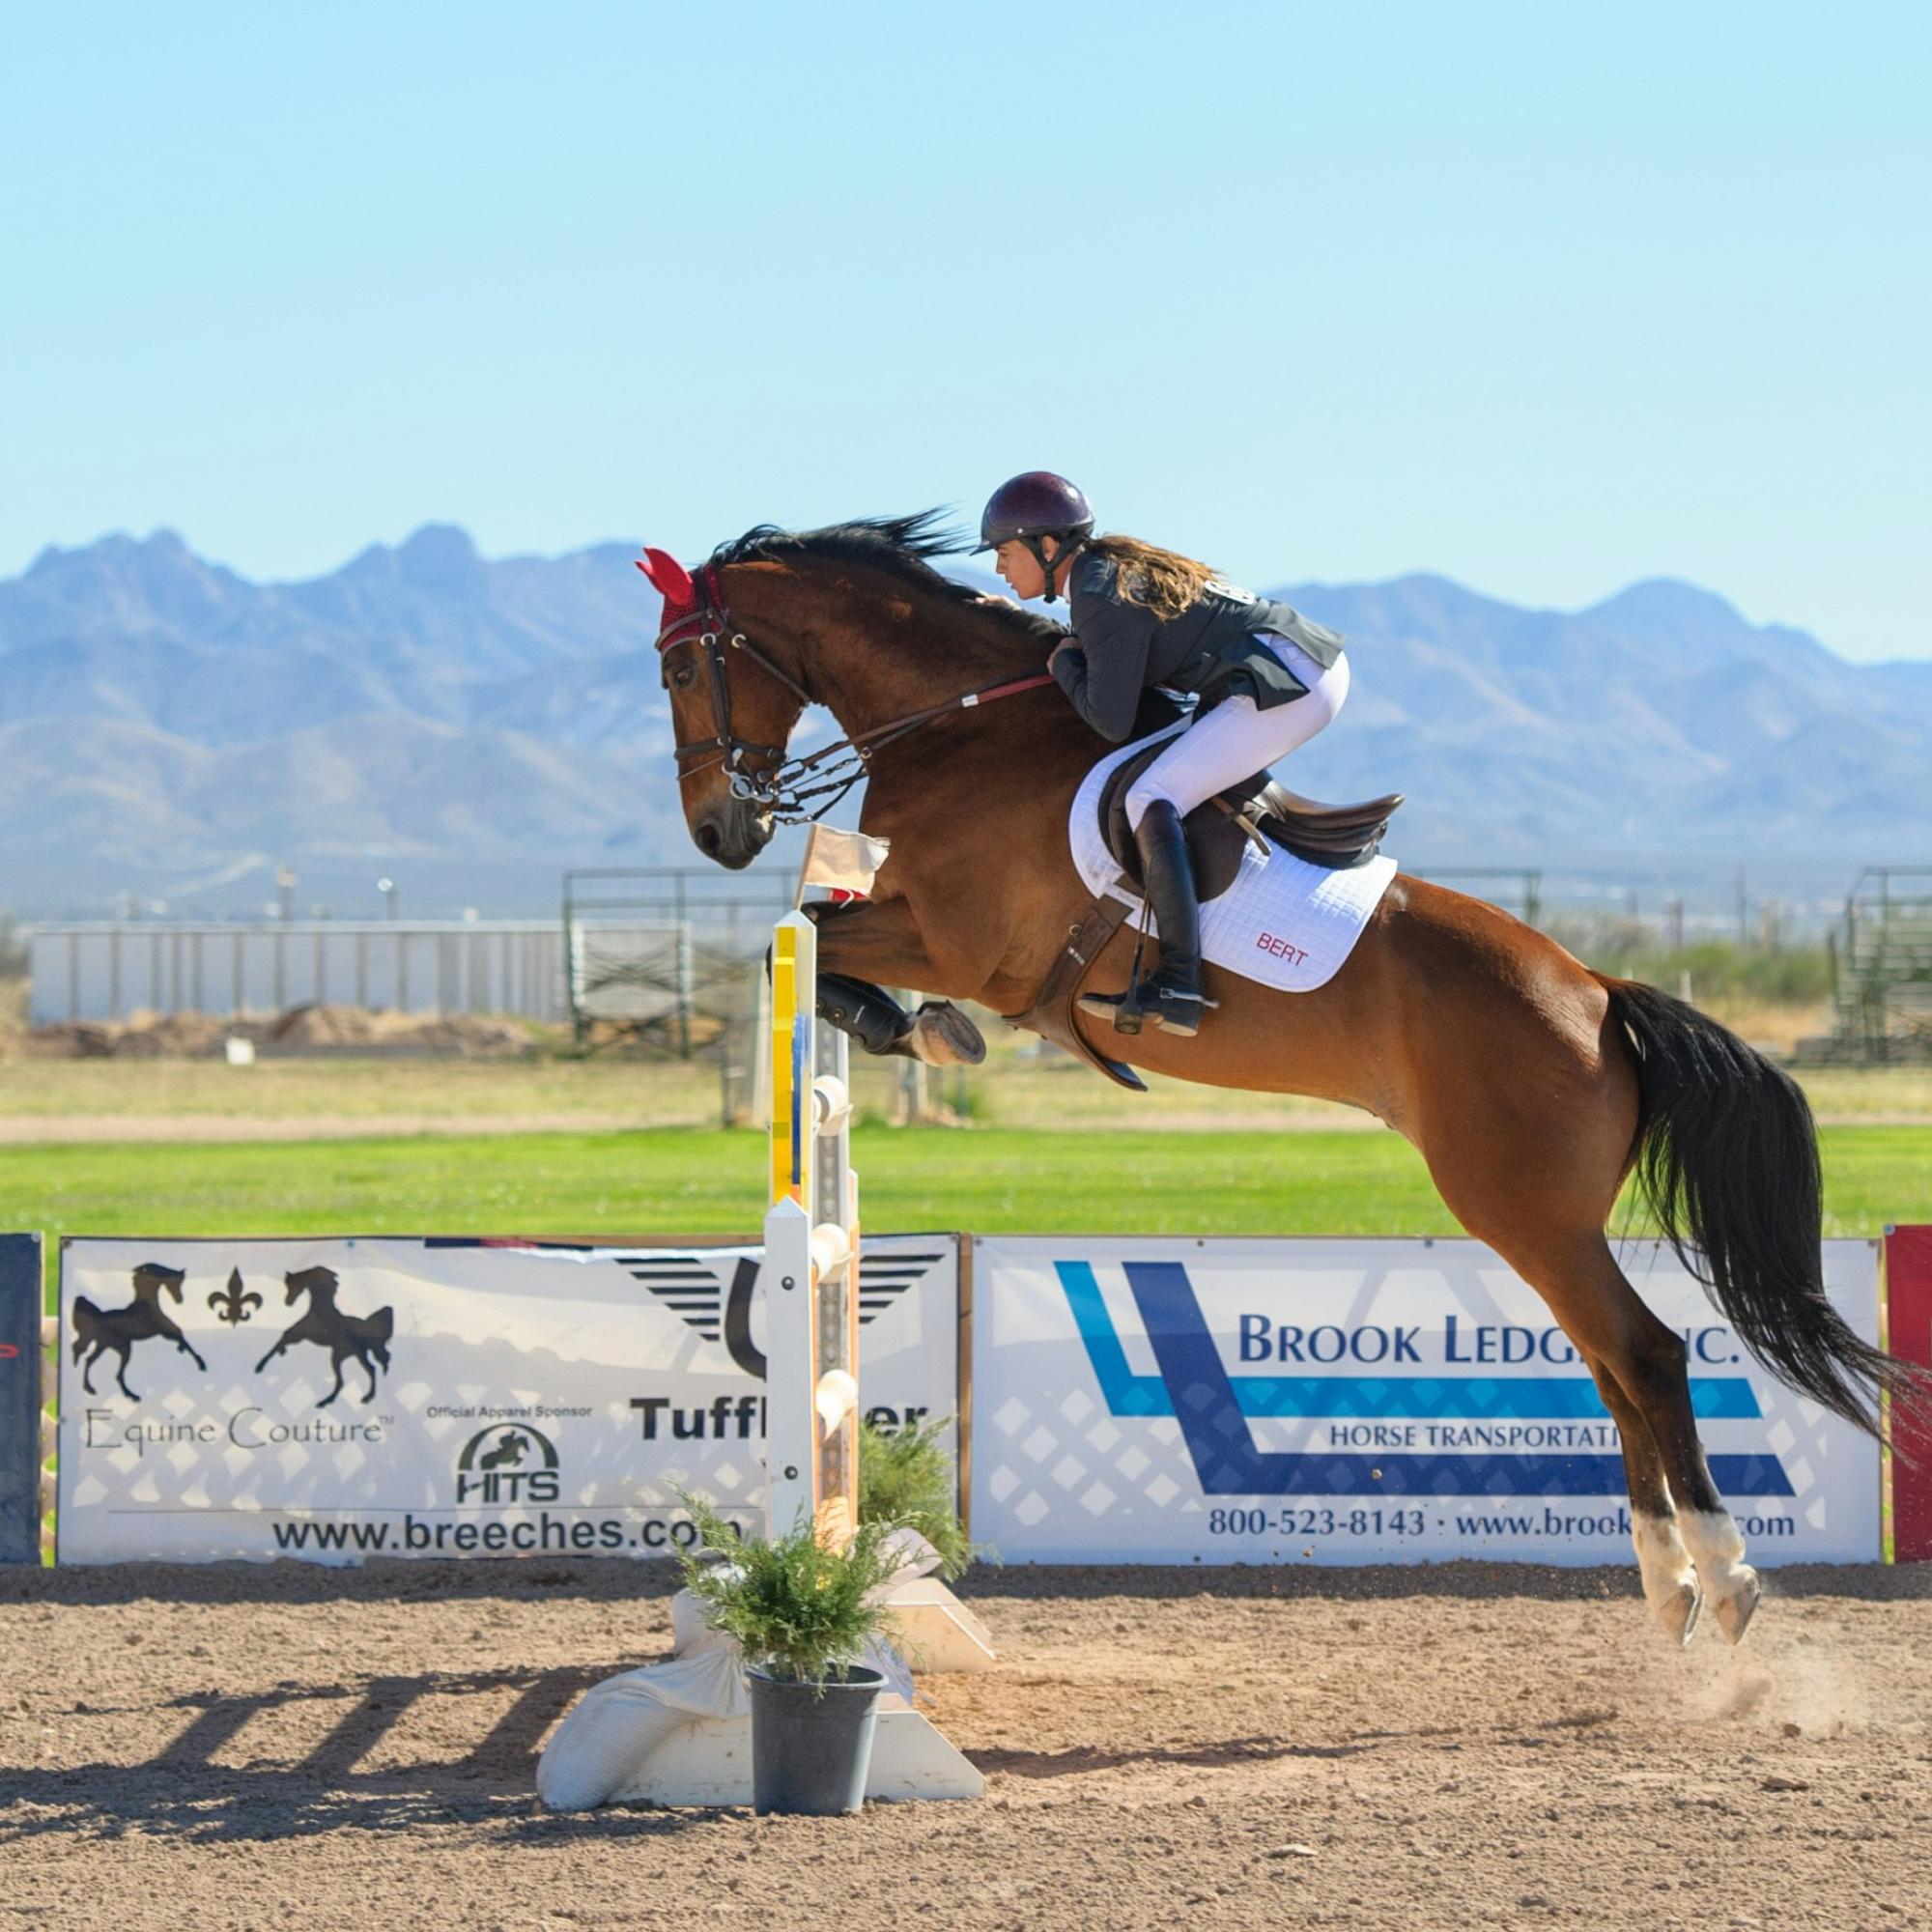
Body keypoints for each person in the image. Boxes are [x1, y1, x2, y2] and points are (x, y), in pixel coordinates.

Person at [978, 469, 1350, 1037]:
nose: (999, 566)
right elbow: (1102, 650)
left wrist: (1061, 665)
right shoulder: (1102, 577)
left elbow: (1110, 719)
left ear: (1046, 546)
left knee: (1152, 794)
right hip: (1293, 666)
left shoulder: (1099, 590)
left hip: (1289, 680)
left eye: (1005, 551)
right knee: (1168, 780)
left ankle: (1179, 980)